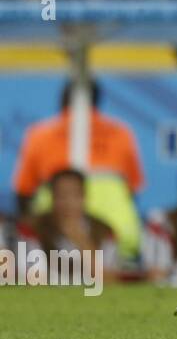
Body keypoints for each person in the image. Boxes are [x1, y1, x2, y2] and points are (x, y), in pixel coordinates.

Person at [10, 79, 144, 260]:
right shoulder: (121, 133)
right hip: (117, 229)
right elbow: (133, 189)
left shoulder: (40, 134)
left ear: (62, 100)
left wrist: (29, 228)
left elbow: (23, 192)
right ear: (98, 101)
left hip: (52, 232)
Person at [14, 167, 119, 283]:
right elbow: (33, 278)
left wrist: (83, 242)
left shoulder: (103, 231)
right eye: (62, 196)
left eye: (75, 195)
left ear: (84, 197)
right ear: (52, 198)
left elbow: (110, 281)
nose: (69, 203)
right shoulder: (32, 228)